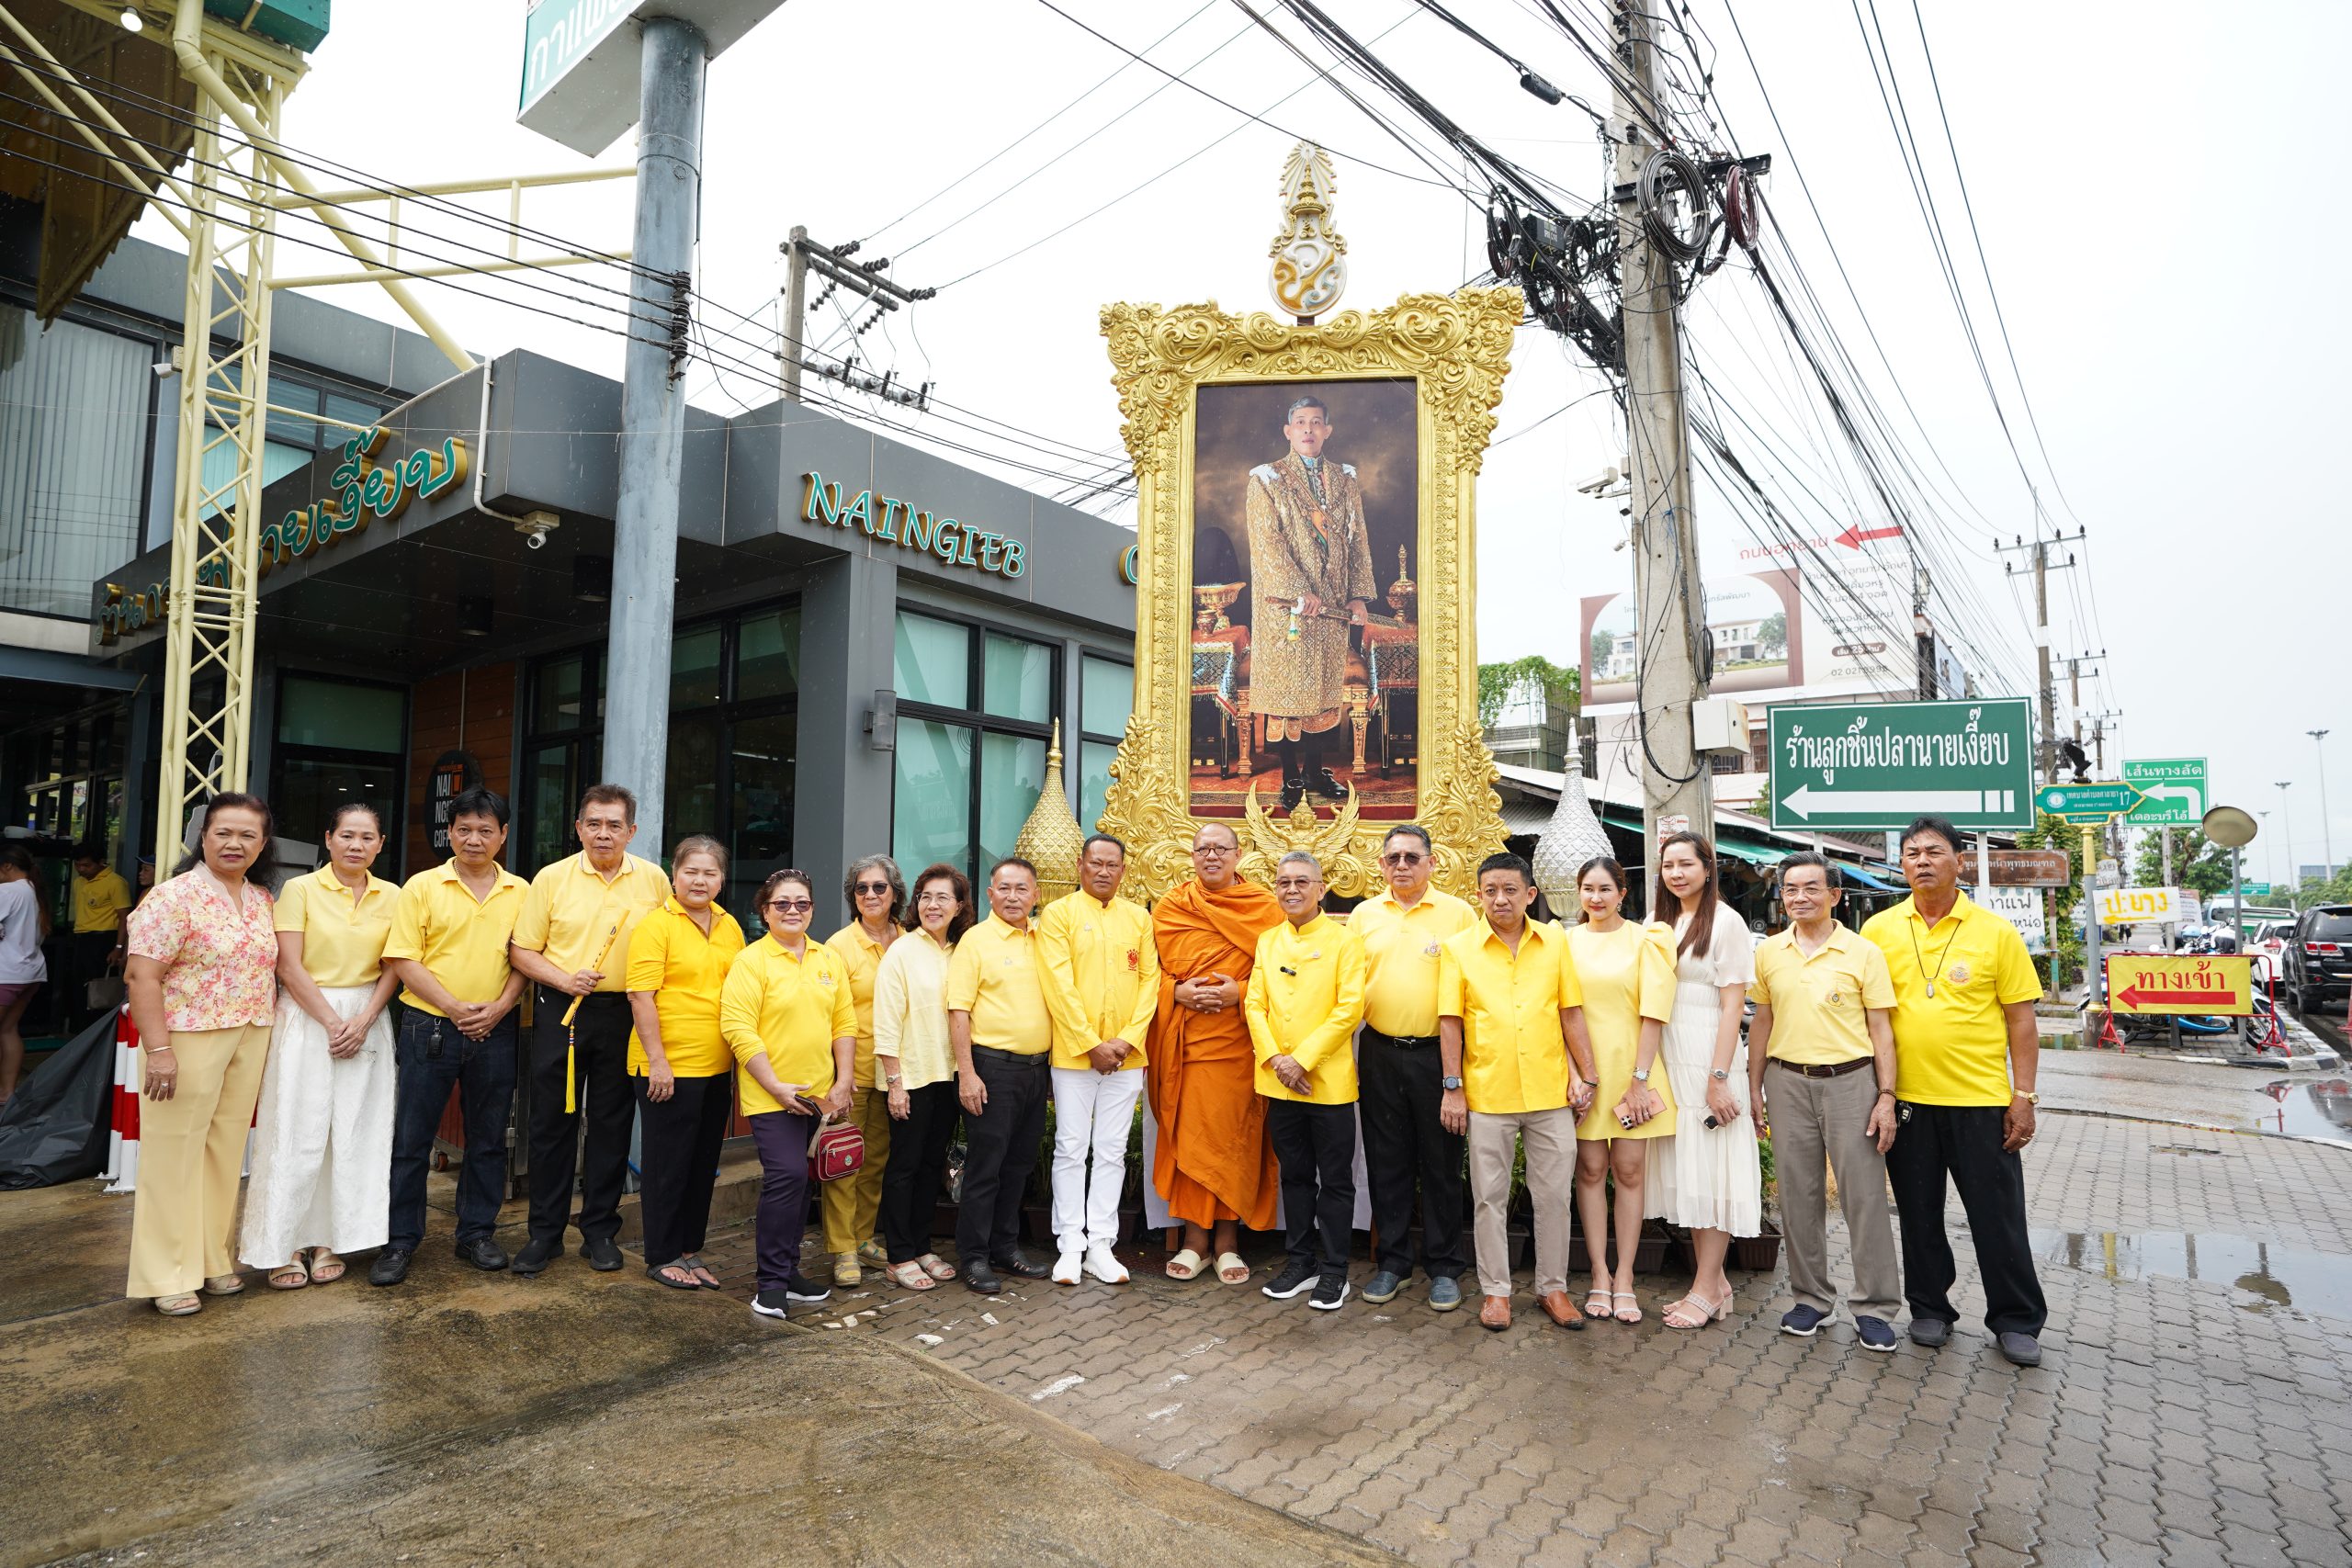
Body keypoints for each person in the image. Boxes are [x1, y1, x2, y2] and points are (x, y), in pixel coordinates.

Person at [1860, 816, 2049, 1367]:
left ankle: (2016, 1321)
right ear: (1901, 864)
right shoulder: (1879, 930)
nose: (1922, 861)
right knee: (1919, 1214)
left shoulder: (1995, 932)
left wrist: (2025, 1096)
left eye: (1934, 852)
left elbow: (2022, 1021)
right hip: (1907, 1101)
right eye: (1912, 852)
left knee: (1998, 1216)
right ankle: (1930, 1309)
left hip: (1981, 1101)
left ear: (1959, 862)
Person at [122, 794, 279, 1315]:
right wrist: (159, 1050)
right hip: (185, 1038)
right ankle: (165, 1273)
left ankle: (213, 1259)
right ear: (203, 837)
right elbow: (142, 976)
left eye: (248, 835)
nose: (235, 844)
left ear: (262, 843)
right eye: (223, 833)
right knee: (173, 1157)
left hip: (249, 1033)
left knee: (225, 1154)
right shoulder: (172, 898)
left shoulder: (261, 899)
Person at [507, 784, 671, 1277]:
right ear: (578, 827)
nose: (603, 834)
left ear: (631, 831)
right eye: (593, 824)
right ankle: (544, 1233)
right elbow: (521, 950)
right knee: (551, 1124)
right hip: (563, 1009)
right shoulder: (551, 879)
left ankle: (599, 1230)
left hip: (625, 1012)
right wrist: (563, 978)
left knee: (611, 1123)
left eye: (614, 825)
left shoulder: (655, 881)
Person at [239, 803, 401, 1289]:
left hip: (369, 1016)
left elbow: (397, 961)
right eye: (347, 836)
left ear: (380, 844)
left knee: (356, 1131)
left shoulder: (393, 895)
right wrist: (333, 1022)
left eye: (367, 837)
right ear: (328, 839)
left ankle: (335, 1237)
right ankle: (283, 1242)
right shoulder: (300, 889)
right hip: (308, 1017)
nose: (357, 846)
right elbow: (288, 966)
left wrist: (366, 1018)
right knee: (296, 1127)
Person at [375, 787, 529, 1287]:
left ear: (503, 836)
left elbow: (525, 957)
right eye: (464, 829)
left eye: (486, 830)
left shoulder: (522, 891)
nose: (474, 839)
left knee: (487, 1139)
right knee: (411, 1138)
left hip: (497, 1027)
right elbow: (402, 958)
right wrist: (453, 1007)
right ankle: (400, 1241)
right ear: (450, 832)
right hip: (430, 1025)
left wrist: (502, 1007)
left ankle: (476, 1234)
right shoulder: (422, 886)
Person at [1747, 853, 1902, 1349]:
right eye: (1790, 889)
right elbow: (1763, 1023)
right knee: (1797, 1195)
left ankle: (1875, 1307)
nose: (1799, 897)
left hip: (1852, 1082)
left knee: (1864, 1197)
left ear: (1835, 895)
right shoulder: (1770, 953)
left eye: (1811, 888)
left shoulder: (1862, 952)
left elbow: (1882, 1030)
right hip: (1786, 1080)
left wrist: (1886, 1096)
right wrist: (1755, 1086)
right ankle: (1811, 1299)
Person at [1438, 852, 1594, 1333]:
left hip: (1550, 1093)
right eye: (1490, 890)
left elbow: (1570, 1012)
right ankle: (1496, 1293)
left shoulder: (1555, 941)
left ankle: (1553, 1288)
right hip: (1487, 1092)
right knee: (1489, 1197)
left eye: (1510, 890)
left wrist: (1586, 1077)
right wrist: (1453, 1089)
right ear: (1479, 895)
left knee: (1553, 1196)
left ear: (1530, 894)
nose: (1500, 899)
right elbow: (1450, 1022)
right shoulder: (1459, 947)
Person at [1148, 821, 1284, 1284]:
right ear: (1192, 855)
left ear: (1238, 853)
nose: (1211, 856)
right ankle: (1194, 1242)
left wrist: (1240, 992)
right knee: (1190, 1140)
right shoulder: (1171, 907)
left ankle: (1227, 1242)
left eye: (1220, 849)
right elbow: (1152, 974)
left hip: (1240, 1044)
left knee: (1233, 1142)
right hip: (1186, 1045)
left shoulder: (1264, 908)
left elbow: (1280, 974)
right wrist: (1178, 992)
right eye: (1203, 848)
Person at [1351, 823, 1479, 1312]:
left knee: (1442, 1164)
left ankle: (1445, 1267)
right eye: (1393, 858)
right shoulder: (1364, 915)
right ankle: (1394, 1264)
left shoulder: (1459, 914)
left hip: (1438, 1057)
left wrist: (1459, 1076)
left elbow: (1474, 986)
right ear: (1381, 865)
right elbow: (1347, 987)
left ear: (1431, 863)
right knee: (1387, 1162)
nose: (1401, 865)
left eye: (1411, 857)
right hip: (1379, 1051)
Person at [722, 868, 855, 1322]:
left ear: (812, 909)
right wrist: (776, 1086)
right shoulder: (751, 961)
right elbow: (737, 1028)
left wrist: (843, 1081)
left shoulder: (827, 958)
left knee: (804, 1185)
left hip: (819, 1095)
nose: (793, 910)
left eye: (802, 903)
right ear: (765, 911)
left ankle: (791, 1273)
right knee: (787, 1179)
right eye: (782, 903)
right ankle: (771, 1284)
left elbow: (844, 1024)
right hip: (770, 1094)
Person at [1645, 832, 1761, 1331]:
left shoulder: (1728, 922)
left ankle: (1705, 1288)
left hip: (1709, 1057)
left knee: (1711, 1172)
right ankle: (1714, 1283)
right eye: (1668, 865)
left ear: (1707, 868)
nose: (1676, 873)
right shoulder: (1658, 922)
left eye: (1685, 864)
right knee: (1691, 1172)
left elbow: (1734, 1005)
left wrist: (1718, 1077)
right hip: (1672, 1057)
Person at [1244, 394, 1377, 809]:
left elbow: (1358, 539)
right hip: (1286, 608)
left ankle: (1316, 771)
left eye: (1316, 422)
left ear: (1327, 430)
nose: (1307, 430)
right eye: (1300, 422)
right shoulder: (1267, 478)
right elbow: (1266, 543)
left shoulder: (1344, 478)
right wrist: (1299, 589)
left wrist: (1356, 595)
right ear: (1288, 431)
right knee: (1287, 691)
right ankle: (1289, 776)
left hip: (1333, 606)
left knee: (1322, 688)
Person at [1037, 834, 1159, 1287]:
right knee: (1071, 1147)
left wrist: (1126, 1041)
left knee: (1110, 1151)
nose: (1104, 871)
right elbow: (1058, 985)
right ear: (1080, 865)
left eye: (1112, 865)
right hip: (1074, 1056)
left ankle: (1102, 1246)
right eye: (1096, 863)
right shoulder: (1058, 915)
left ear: (1123, 871)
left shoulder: (1138, 919)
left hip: (1127, 1057)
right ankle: (1070, 1244)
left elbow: (1151, 982)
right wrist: (1090, 1043)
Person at [626, 836, 746, 1292]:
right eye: (691, 871)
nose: (700, 880)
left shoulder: (730, 925)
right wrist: (658, 1061)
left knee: (702, 1164)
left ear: (721, 878)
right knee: (667, 1164)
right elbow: (641, 996)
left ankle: (689, 1251)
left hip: (717, 1067)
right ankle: (661, 1254)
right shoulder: (656, 925)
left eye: (709, 872)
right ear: (673, 875)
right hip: (668, 1067)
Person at [1246, 851, 1366, 1311]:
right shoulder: (1267, 940)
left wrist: (1304, 1060)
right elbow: (1254, 1005)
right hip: (1279, 1082)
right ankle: (1300, 1262)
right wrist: (1277, 1058)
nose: (1291, 890)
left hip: (1328, 1082)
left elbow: (1348, 1010)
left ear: (1320, 888)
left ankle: (1335, 1270)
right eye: (1283, 882)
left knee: (1335, 1180)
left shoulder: (1344, 941)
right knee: (1294, 1176)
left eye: (1301, 882)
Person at [1567, 855, 1677, 1325]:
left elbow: (1654, 1012)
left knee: (1629, 1171)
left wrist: (1640, 1078)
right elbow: (1558, 1014)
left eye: (1604, 889)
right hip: (1584, 1072)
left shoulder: (1645, 939)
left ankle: (1626, 1276)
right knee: (1590, 1169)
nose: (1595, 898)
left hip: (1635, 1069)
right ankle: (1598, 1274)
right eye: (1588, 889)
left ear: (1622, 893)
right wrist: (1574, 1074)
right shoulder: (1563, 942)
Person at [946, 858, 1055, 1294]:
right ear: (990, 895)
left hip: (1036, 1070)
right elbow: (958, 1011)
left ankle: (1005, 1248)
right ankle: (973, 1257)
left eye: (1022, 889)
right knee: (985, 1168)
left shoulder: (1045, 937)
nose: (1013, 897)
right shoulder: (976, 940)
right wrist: (967, 1075)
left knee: (1019, 1166)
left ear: (1036, 894)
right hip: (992, 1069)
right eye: (1004, 889)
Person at [874, 863, 972, 1291]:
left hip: (947, 1075)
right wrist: (894, 1083)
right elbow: (886, 1020)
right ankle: (898, 1255)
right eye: (926, 897)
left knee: (932, 1166)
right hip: (909, 1077)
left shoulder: (962, 950)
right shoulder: (902, 950)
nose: (933, 905)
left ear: (959, 906)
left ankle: (922, 1245)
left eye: (943, 898)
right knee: (904, 1167)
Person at [820, 855, 904, 1287]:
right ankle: (843, 1250)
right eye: (861, 889)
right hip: (854, 1069)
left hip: (898, 1073)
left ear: (894, 893)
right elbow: (834, 1016)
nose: (870, 895)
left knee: (875, 1160)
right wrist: (841, 1075)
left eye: (878, 887)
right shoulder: (839, 946)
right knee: (845, 1159)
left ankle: (865, 1236)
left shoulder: (910, 939)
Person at [0, 846, 52, 1109]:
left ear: (7, 866)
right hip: (31, 972)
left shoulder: (7, 891)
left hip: (6, 972)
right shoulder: (34, 890)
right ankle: (7, 1092)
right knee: (8, 1030)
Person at [69, 848, 133, 1031]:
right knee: (79, 985)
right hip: (81, 936)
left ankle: (99, 1029)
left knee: (99, 986)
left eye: (87, 865)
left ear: (101, 862)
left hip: (104, 938)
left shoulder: (115, 882)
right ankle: (80, 1028)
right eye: (78, 865)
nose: (81, 869)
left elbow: (124, 917)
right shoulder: (79, 882)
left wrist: (118, 947)